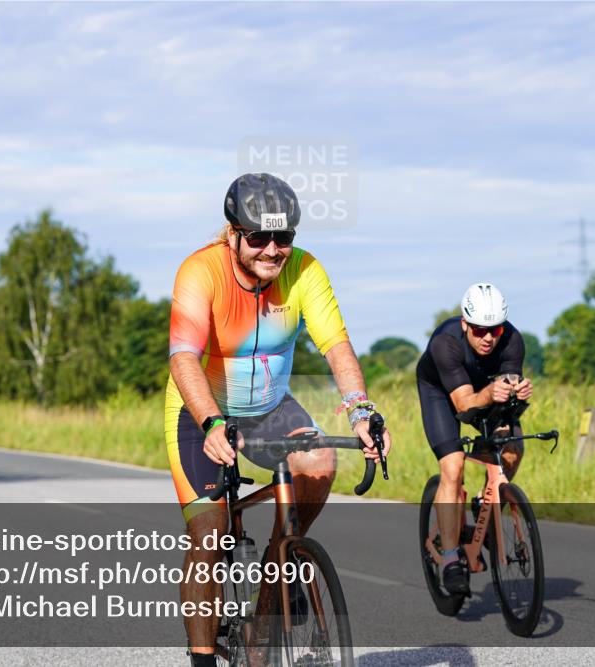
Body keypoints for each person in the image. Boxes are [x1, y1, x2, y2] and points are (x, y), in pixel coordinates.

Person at [165, 173, 392, 665]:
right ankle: (204, 655)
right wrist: (209, 423)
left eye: (283, 237)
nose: (272, 249)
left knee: (319, 463)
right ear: (232, 234)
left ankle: (276, 580)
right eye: (259, 237)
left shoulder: (306, 271)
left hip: (269, 407)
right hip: (200, 408)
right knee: (211, 533)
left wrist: (361, 409)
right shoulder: (200, 272)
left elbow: (336, 346)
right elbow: (184, 359)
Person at [416, 283, 533, 595]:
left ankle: (486, 502)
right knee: (453, 467)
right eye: (480, 330)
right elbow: (464, 405)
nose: (488, 338)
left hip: (482, 391)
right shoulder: (446, 343)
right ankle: (451, 558)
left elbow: (505, 390)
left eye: (495, 330)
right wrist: (491, 392)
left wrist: (517, 393)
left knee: (510, 448)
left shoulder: (512, 341)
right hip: (442, 392)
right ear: (466, 324)